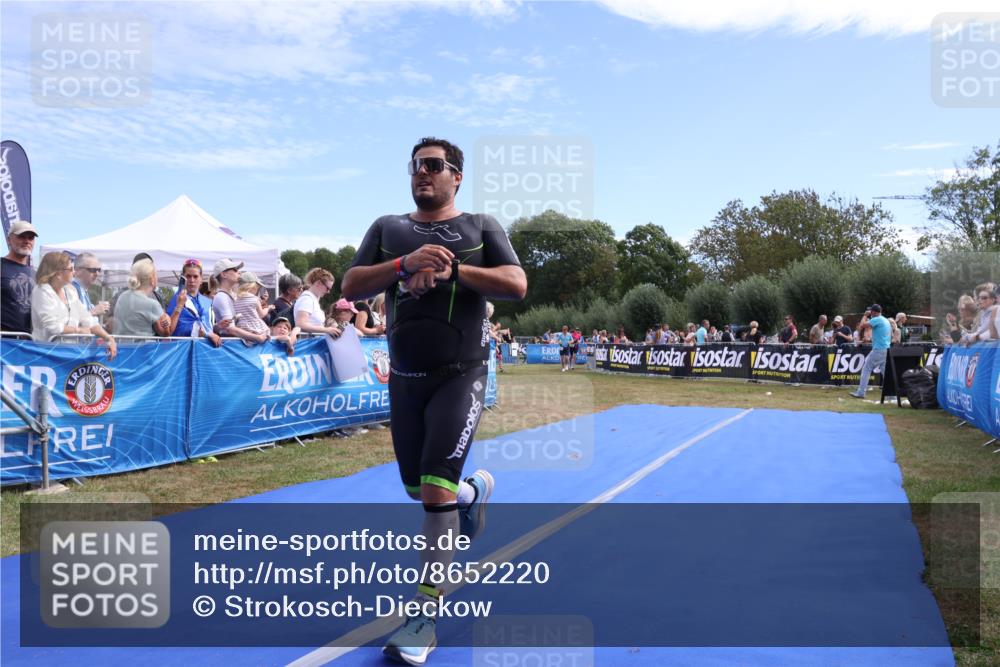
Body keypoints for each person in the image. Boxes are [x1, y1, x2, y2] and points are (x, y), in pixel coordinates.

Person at [341, 136, 526, 666]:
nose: (422, 173)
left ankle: (423, 614)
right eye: (416, 166)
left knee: (434, 495)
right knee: (417, 487)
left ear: (456, 176)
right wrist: (405, 264)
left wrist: (452, 271)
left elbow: (516, 283)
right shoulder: (387, 227)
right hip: (404, 378)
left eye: (433, 166)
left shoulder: (481, 226)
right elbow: (351, 287)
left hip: (459, 375)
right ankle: (474, 494)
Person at [30, 252, 117, 359]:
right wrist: (79, 330)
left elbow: (87, 319)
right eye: (70, 269)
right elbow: (52, 326)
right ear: (58, 273)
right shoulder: (42, 291)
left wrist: (108, 338)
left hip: (70, 353)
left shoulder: (70, 291)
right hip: (47, 355)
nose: (74, 272)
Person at [166, 259, 221, 346]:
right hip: (183, 350)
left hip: (206, 349)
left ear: (201, 279)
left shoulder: (207, 301)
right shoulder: (177, 299)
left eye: (195, 276)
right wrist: (207, 334)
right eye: (188, 276)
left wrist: (218, 327)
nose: (192, 280)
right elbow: (176, 329)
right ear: (183, 278)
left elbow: (208, 326)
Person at [114, 259, 175, 337]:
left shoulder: (122, 297)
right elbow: (165, 334)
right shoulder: (152, 304)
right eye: (156, 275)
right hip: (144, 347)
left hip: (122, 347)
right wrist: (166, 324)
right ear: (152, 280)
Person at [1, 220, 37, 333]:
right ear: (9, 240)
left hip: (29, 341)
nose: (27, 241)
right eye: (21, 236)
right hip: (4, 341)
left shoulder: (35, 273)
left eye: (31, 238)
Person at [850, 304, 891, 399]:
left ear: (874, 312)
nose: (869, 314)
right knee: (885, 372)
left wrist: (865, 315)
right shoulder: (886, 320)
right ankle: (891, 394)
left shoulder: (877, 319)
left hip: (879, 349)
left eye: (870, 312)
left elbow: (862, 325)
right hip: (886, 349)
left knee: (866, 369)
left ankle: (861, 392)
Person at [294, 267, 342, 338]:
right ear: (319, 283)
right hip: (307, 344)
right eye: (327, 288)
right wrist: (327, 330)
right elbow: (300, 324)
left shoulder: (311, 299)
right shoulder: (307, 299)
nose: (328, 292)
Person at [234, 271, 273, 344]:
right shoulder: (255, 299)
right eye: (257, 288)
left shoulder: (235, 299)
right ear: (253, 286)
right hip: (255, 327)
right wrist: (267, 309)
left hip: (241, 328)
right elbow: (261, 314)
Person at [71, 252, 110, 319]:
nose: (97, 274)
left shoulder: (82, 290)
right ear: (78, 270)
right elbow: (71, 321)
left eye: (99, 270)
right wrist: (94, 311)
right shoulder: (72, 289)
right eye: (93, 270)